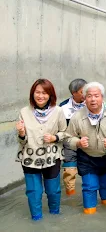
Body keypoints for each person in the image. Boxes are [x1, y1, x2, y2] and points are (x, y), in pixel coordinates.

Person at [65, 82, 106, 214]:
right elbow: (67, 138)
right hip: (87, 158)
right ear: (85, 98)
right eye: (89, 96)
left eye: (96, 95)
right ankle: (89, 215)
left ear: (102, 97)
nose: (93, 99)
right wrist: (78, 142)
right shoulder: (77, 116)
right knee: (89, 187)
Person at [16, 79, 67, 221]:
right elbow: (21, 141)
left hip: (52, 157)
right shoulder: (24, 112)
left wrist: (54, 137)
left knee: (53, 191)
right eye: (37, 92)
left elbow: (65, 133)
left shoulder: (58, 111)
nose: (40, 96)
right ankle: (36, 220)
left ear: (50, 95)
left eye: (44, 93)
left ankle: (55, 215)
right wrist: (21, 134)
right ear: (32, 94)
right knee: (33, 191)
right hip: (30, 157)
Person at [59, 78, 87, 196]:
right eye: (82, 91)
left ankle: (88, 191)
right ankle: (70, 195)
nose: (86, 94)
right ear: (74, 93)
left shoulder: (91, 103)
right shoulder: (63, 107)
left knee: (87, 170)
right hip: (70, 142)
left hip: (86, 142)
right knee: (69, 171)